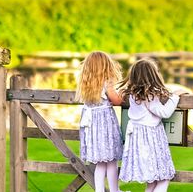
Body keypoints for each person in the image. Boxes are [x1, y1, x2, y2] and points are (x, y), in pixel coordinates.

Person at [119, 58, 180, 191]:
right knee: (164, 179)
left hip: (138, 137)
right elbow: (164, 112)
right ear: (152, 75)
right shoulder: (149, 96)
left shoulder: (133, 95)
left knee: (152, 182)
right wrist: (175, 97)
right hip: (150, 139)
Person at [77, 51, 124, 192]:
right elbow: (116, 101)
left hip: (92, 126)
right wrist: (122, 96)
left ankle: (99, 190)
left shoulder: (86, 83)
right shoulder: (107, 81)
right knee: (112, 160)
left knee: (101, 163)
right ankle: (114, 190)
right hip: (105, 124)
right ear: (105, 66)